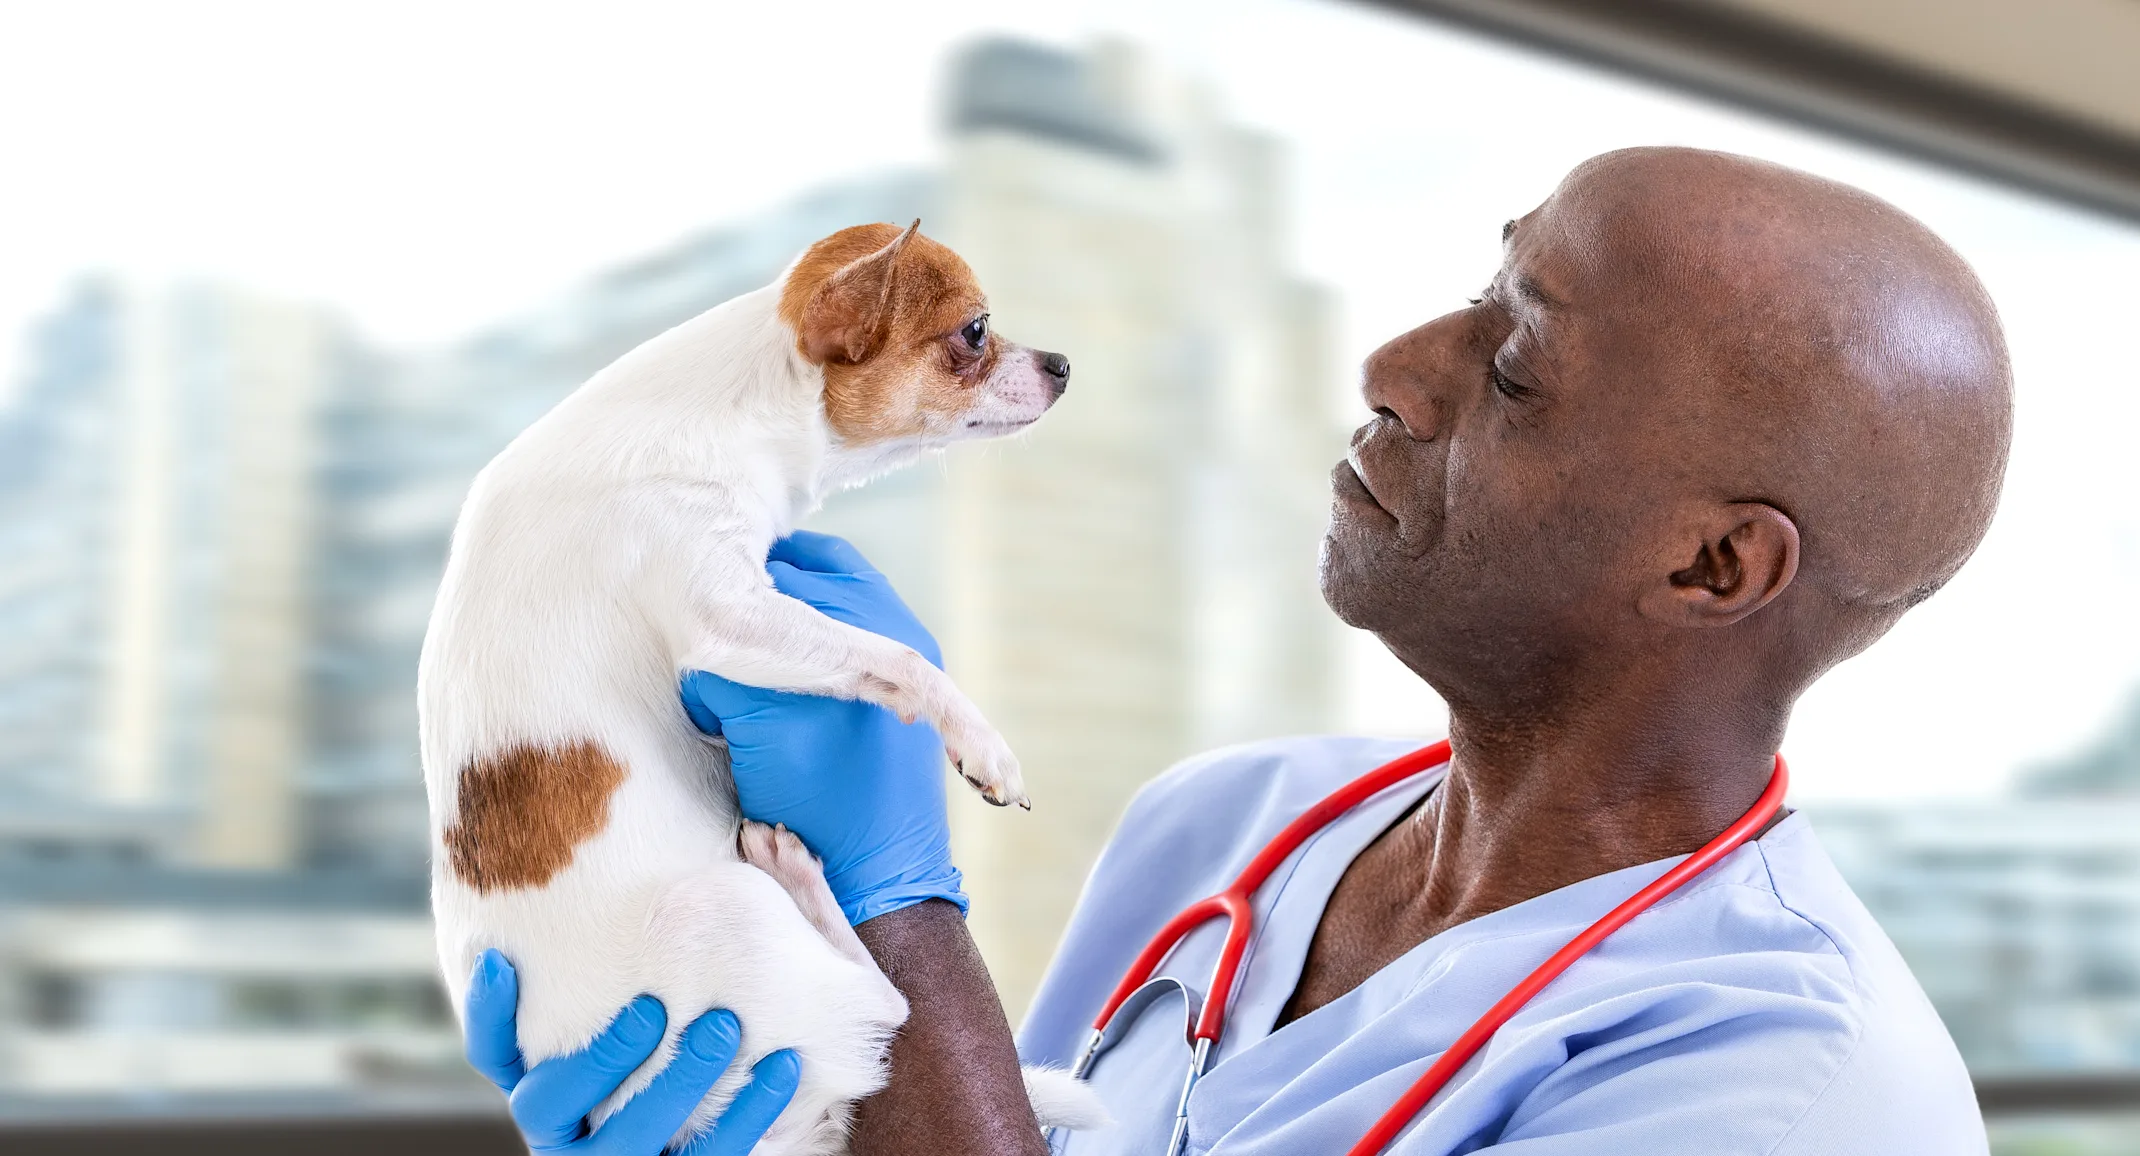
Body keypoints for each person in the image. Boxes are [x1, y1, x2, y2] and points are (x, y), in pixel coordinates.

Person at [465, 147, 2011, 1153]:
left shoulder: (1800, 1093)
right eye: (1479, 291)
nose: (1400, 368)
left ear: (1711, 565)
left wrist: (905, 922)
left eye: (1518, 362)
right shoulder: (1224, 825)